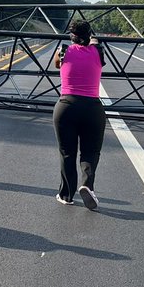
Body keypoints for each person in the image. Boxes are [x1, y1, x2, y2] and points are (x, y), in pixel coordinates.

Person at [53, 20, 106, 210]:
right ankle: (87, 185)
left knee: (67, 153)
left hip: (66, 105)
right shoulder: (98, 52)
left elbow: (57, 64)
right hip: (92, 107)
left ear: (71, 35)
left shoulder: (63, 50)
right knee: (90, 152)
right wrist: (92, 40)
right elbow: (95, 42)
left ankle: (66, 194)